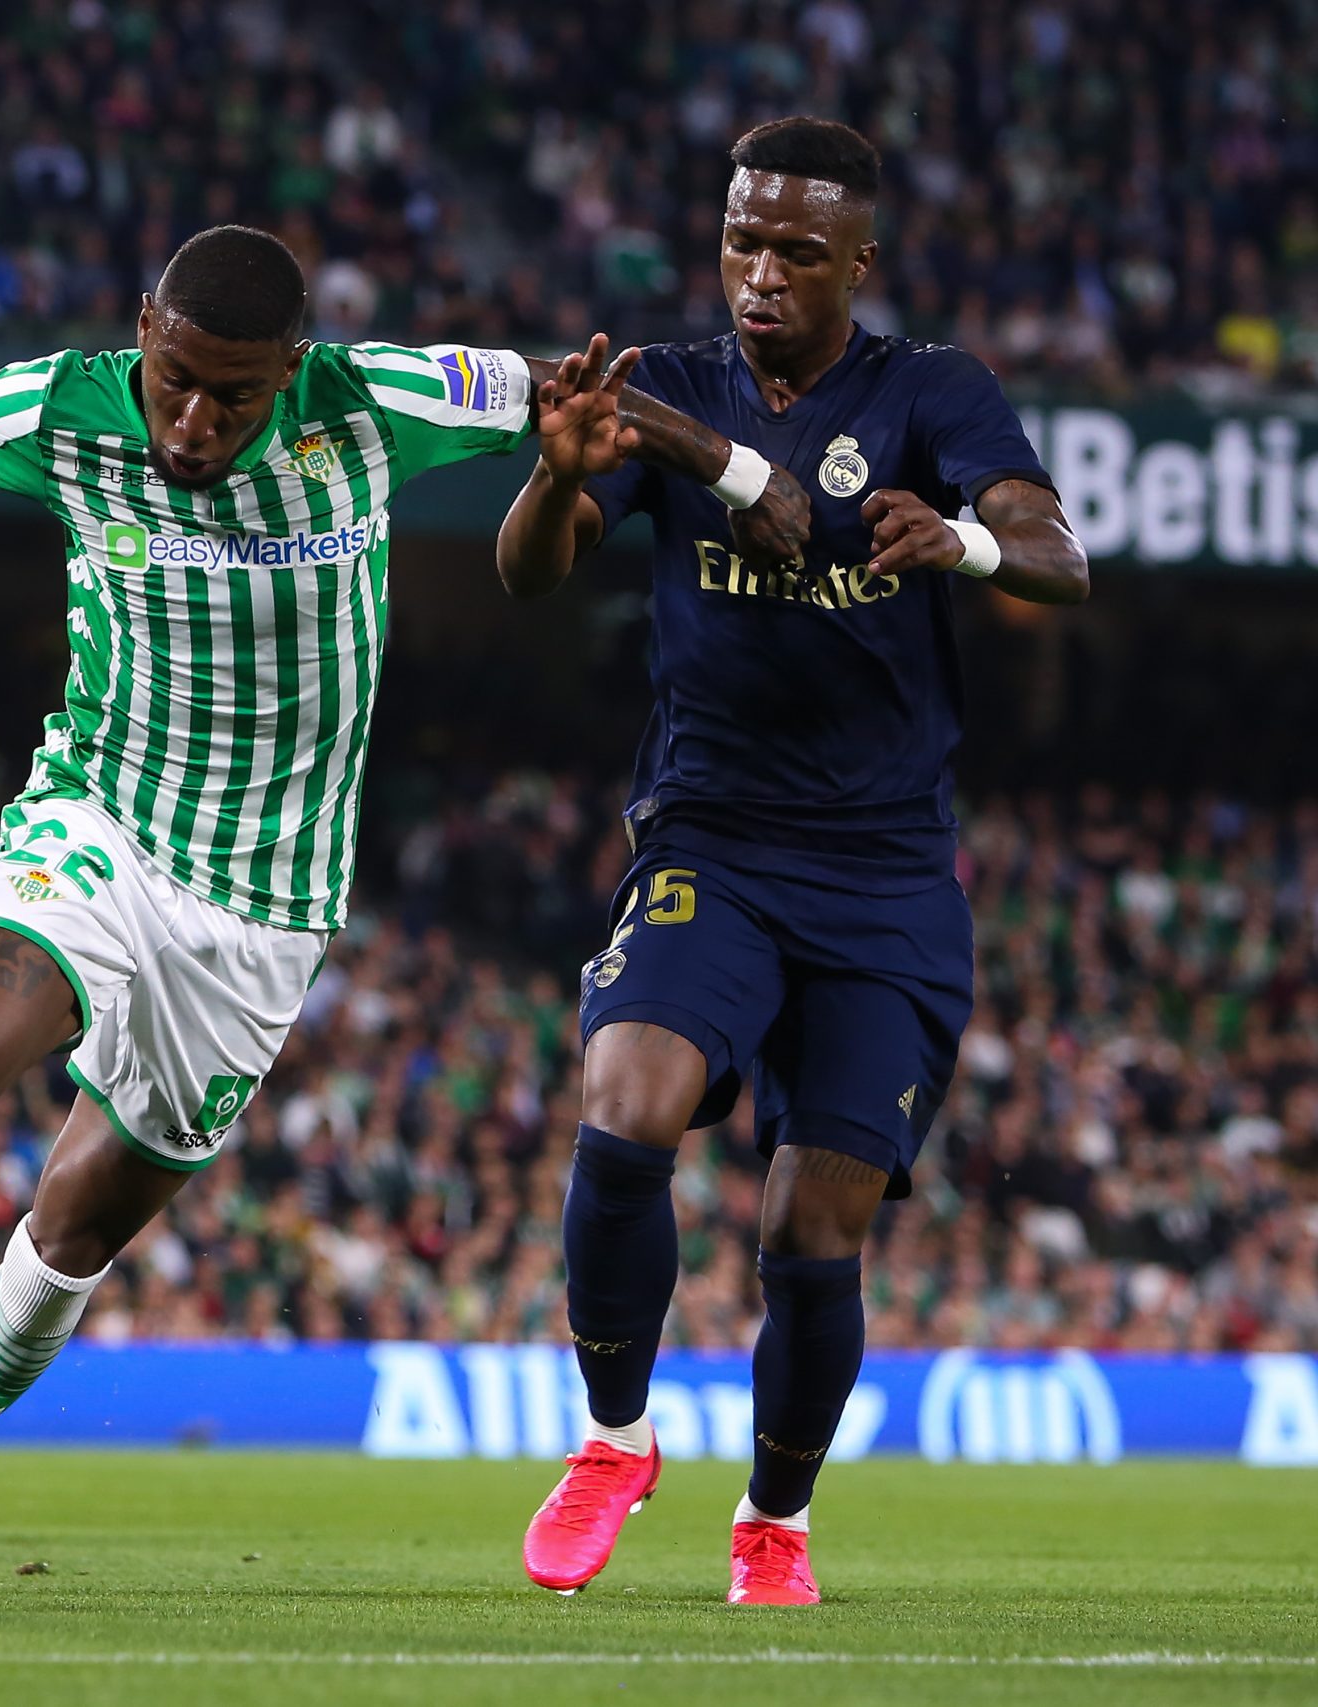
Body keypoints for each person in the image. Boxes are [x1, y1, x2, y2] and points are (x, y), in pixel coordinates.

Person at [0, 223, 802, 1594]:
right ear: (143, 329)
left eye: (233, 396)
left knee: (72, 1232)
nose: (193, 421)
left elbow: (581, 389)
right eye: (175, 379)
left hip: (266, 906)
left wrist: (746, 475)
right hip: (100, 820)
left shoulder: (376, 402)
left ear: (291, 370)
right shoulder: (62, 408)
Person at [495, 118, 1088, 1606]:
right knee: (623, 1109)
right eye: (742, 242)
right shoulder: (668, 387)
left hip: (885, 876)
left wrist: (961, 541)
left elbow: (1060, 559)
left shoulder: (933, 391)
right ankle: (614, 1438)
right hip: (712, 835)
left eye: (797, 252)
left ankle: (774, 1518)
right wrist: (553, 479)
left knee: (811, 1229)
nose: (760, 272)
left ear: (859, 262)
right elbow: (529, 570)